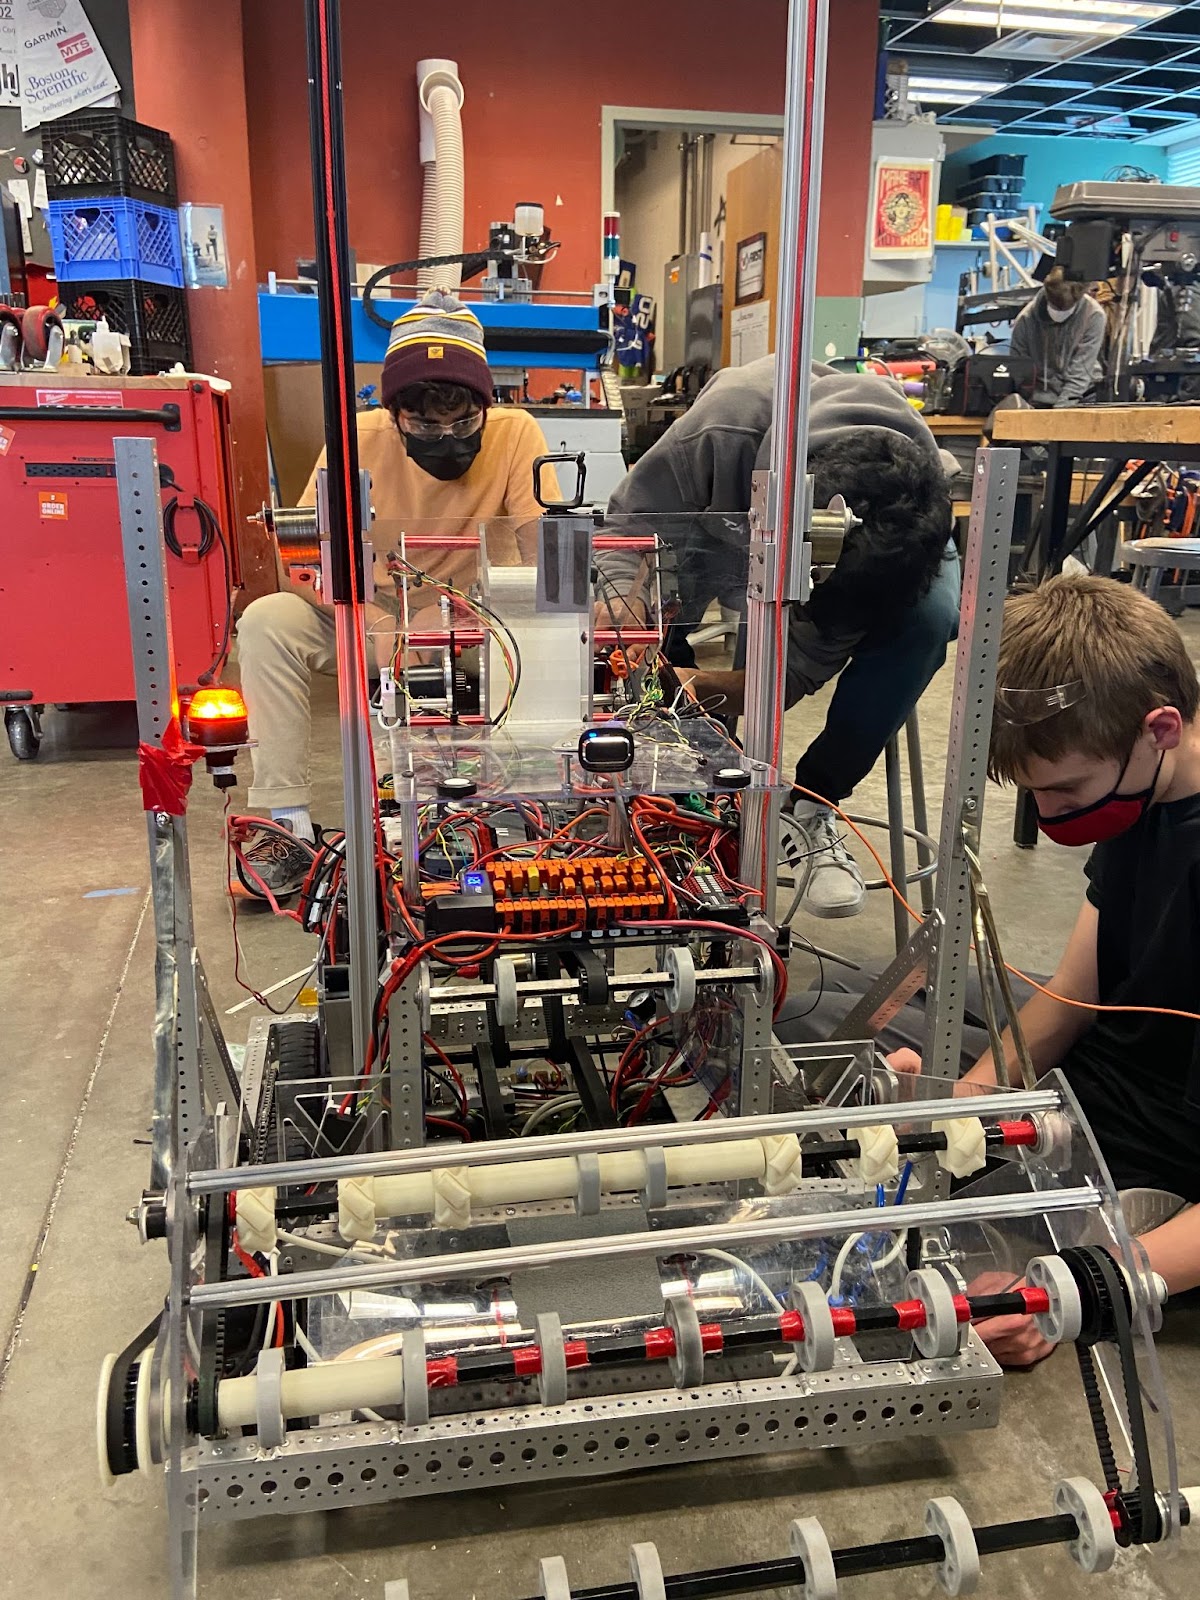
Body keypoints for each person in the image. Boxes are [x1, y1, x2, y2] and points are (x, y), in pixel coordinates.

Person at [783, 576, 1200, 1363]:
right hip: (1103, 1061)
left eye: (1066, 789)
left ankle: (1135, 1228)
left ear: (1162, 729)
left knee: (931, 1288)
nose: (1050, 818)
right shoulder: (1146, 786)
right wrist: (960, 1102)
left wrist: (1084, 1286)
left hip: (1162, 1143)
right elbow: (1077, 990)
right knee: (819, 1022)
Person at [600, 354, 959, 918]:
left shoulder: (918, 510)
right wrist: (628, 613)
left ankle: (812, 804)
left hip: (875, 536)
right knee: (649, 643)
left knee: (931, 618)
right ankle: (691, 809)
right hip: (720, 506)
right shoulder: (719, 432)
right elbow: (625, 529)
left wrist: (735, 684)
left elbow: (794, 667)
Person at [234, 290, 555, 896]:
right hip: (368, 611)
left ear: (486, 405)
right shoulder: (355, 439)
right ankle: (285, 827)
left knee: (536, 645)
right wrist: (370, 618)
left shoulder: (516, 434)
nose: (446, 436)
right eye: (424, 425)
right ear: (394, 410)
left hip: (475, 616)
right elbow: (299, 562)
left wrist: (481, 607)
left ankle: (509, 815)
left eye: (463, 423)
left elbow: (544, 556)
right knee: (266, 622)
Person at [1009, 265, 1106, 408]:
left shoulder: (1093, 316)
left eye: (1065, 310)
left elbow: (1080, 373)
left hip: (1083, 395)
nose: (1059, 314)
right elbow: (1019, 373)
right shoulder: (1025, 320)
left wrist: (1059, 414)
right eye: (1057, 308)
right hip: (1038, 400)